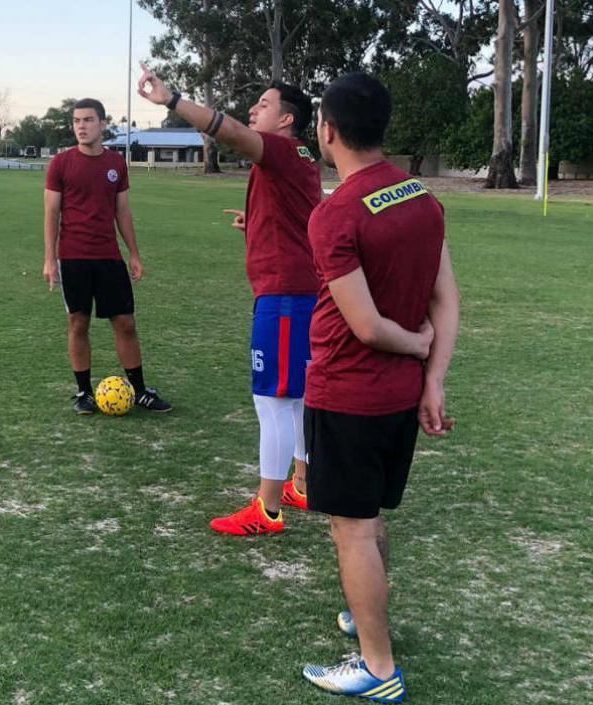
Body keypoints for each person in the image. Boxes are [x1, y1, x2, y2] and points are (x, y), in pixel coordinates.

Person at [298, 72, 459, 702]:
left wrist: (418, 348)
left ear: (327, 130)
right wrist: (434, 378)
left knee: (354, 529)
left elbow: (366, 326)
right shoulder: (421, 196)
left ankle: (378, 666)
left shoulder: (335, 212)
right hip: (397, 397)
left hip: (348, 393)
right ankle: (367, 619)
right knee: (368, 520)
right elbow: (447, 299)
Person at [138, 64, 320, 535]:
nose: (253, 108)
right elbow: (304, 216)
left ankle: (268, 509)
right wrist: (257, 221)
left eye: (264, 103)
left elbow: (233, 133)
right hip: (297, 292)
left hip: (283, 296)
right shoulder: (299, 155)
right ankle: (302, 484)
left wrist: (172, 100)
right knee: (295, 398)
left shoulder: (279, 148)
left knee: (273, 402)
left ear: (286, 120)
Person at [43, 98, 172, 416]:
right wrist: (49, 259)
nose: (81, 126)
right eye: (76, 120)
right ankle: (83, 392)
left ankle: (140, 390)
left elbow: (122, 211)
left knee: (126, 323)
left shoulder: (115, 164)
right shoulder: (61, 163)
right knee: (78, 323)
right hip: (73, 258)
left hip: (108, 257)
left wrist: (134, 254)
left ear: (103, 124)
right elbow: (51, 212)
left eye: (88, 120)